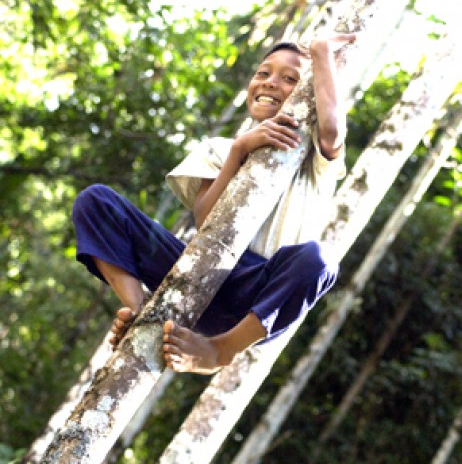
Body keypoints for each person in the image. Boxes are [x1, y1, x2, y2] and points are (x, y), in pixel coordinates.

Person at [72, 32, 356, 375]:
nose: (270, 83)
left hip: (257, 294)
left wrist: (322, 52)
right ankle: (140, 310)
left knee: (320, 260)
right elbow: (207, 220)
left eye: (290, 78)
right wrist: (239, 150)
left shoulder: (311, 157)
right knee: (96, 201)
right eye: (263, 73)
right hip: (199, 263)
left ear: (306, 94)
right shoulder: (220, 149)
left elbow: (332, 131)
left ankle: (220, 351)